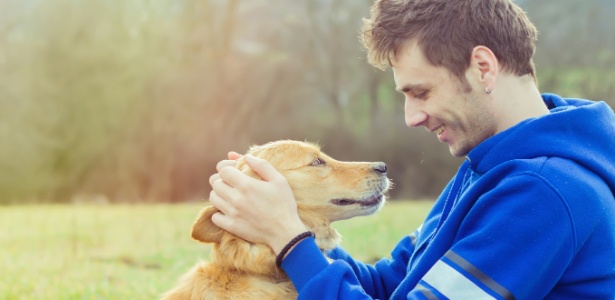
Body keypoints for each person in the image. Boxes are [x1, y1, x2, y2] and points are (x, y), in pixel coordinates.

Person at [208, 0, 615, 298]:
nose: (411, 117)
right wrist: (289, 217)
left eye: (421, 92)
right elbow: (389, 284)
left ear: (483, 68)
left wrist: (289, 239)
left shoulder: (545, 191)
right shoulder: (491, 167)